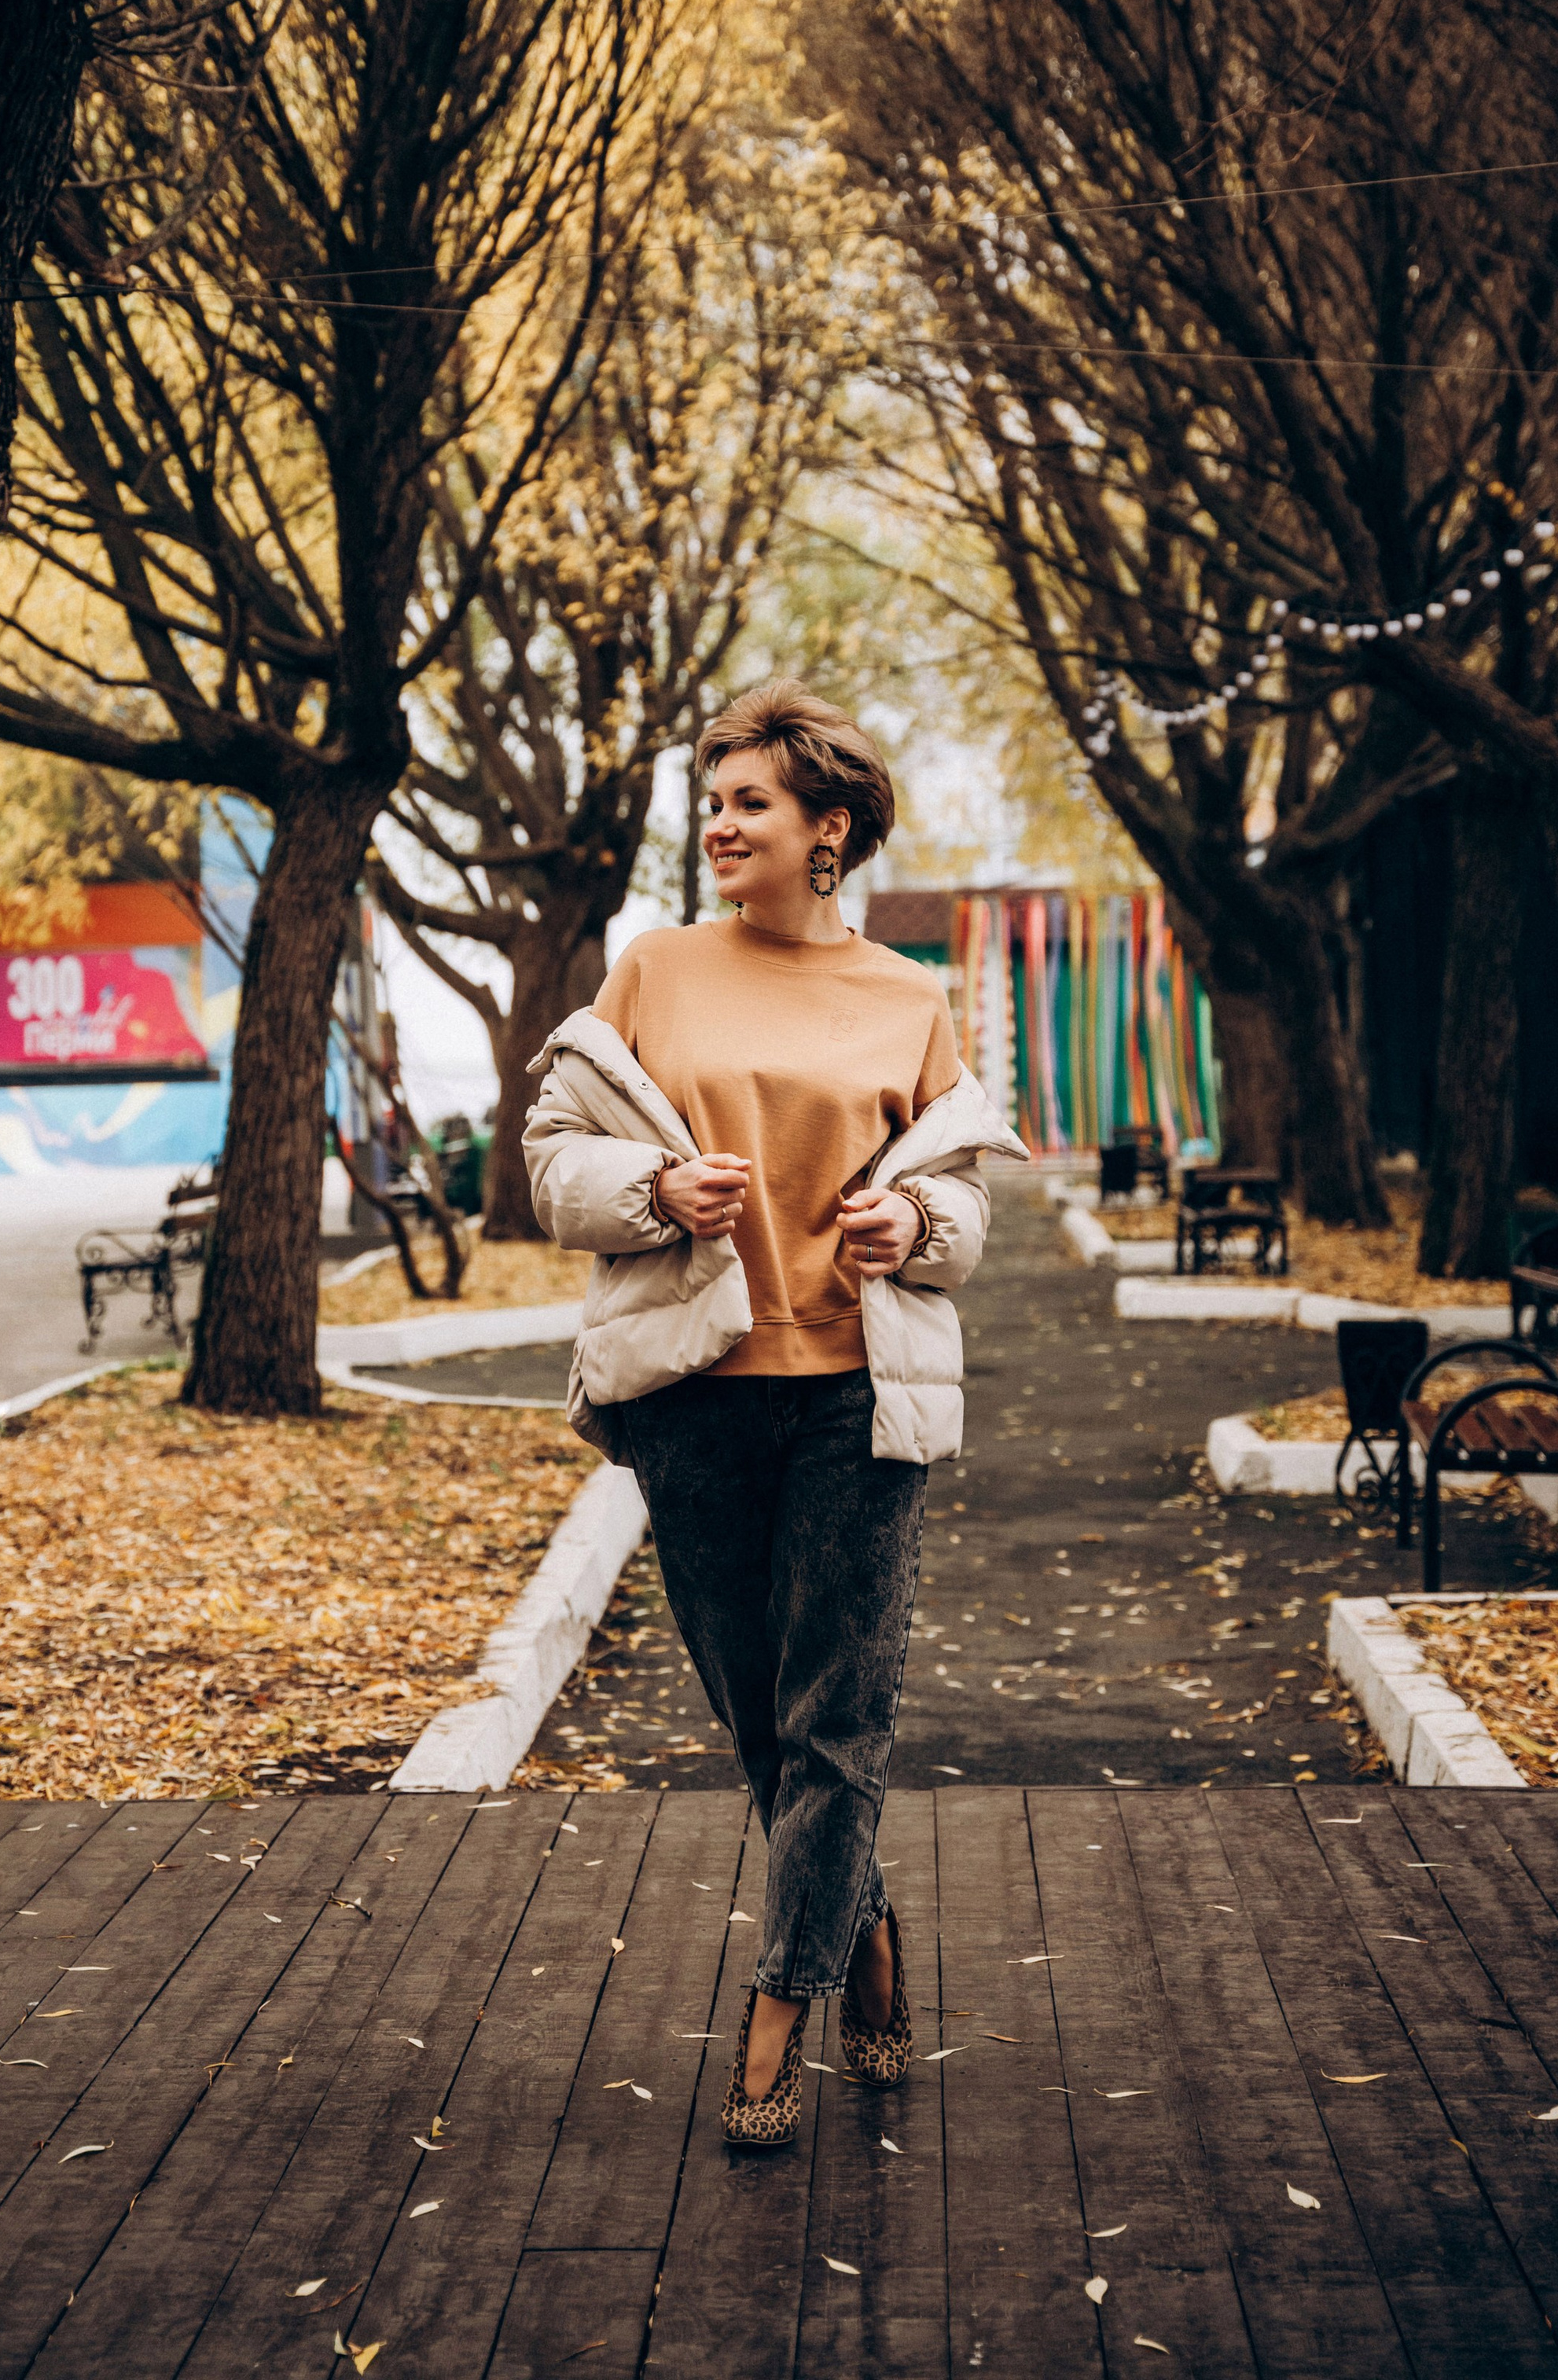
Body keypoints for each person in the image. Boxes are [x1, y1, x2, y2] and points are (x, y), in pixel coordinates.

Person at [524, 679, 1026, 2147]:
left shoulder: (907, 996)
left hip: (857, 1400)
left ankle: (782, 2005)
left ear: (831, 829)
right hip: (692, 1399)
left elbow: (965, 1205)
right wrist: (657, 1191)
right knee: (761, 1715)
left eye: (749, 801)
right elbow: (553, 1160)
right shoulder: (655, 970)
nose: (719, 823)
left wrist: (913, 1227)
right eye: (716, 799)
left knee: (840, 1718)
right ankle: (865, 1939)